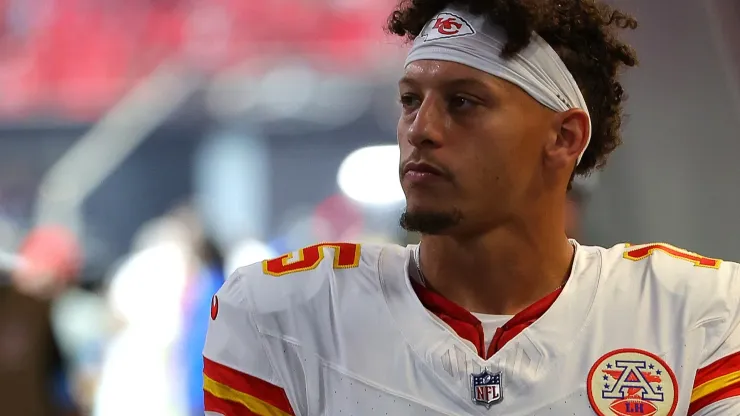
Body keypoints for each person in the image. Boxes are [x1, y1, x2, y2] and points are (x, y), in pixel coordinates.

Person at [203, 1, 740, 415]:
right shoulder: (285, 314)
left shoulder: (696, 313)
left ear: (564, 137)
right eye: (411, 100)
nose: (421, 130)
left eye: (463, 102)